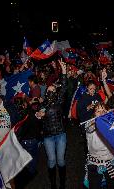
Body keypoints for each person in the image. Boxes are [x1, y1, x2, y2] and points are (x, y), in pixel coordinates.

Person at [35, 59, 67, 189]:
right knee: (52, 161)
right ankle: (53, 184)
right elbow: (39, 113)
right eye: (49, 90)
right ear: (46, 93)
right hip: (48, 136)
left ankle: (63, 184)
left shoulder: (59, 101)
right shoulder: (43, 104)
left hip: (60, 134)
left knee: (60, 160)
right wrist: (38, 115)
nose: (51, 92)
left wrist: (64, 71)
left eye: (53, 90)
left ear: (56, 93)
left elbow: (64, 86)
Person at [83, 102, 114, 189]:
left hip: (110, 163)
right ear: (93, 114)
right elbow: (89, 128)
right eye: (98, 111)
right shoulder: (90, 124)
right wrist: (96, 120)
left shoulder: (112, 125)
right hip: (94, 164)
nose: (101, 113)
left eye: (103, 110)